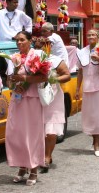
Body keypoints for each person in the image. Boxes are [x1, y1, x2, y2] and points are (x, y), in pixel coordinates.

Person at [6, 31, 49, 186]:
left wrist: (24, 78)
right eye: (17, 40)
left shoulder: (37, 55)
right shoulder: (13, 57)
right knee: (16, 133)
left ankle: (34, 169)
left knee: (32, 134)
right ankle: (21, 166)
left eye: (22, 40)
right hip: (17, 99)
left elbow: (44, 77)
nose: (19, 43)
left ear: (30, 41)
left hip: (32, 100)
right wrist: (13, 79)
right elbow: (9, 80)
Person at [75, 30, 99, 157]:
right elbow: (80, 72)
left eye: (93, 35)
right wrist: (77, 89)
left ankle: (97, 143)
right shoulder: (81, 52)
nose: (91, 36)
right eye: (89, 34)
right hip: (87, 88)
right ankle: (93, 140)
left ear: (98, 37)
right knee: (90, 117)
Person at [39, 40, 71, 173]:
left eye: (46, 44)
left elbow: (67, 75)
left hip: (53, 96)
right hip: (37, 96)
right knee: (39, 130)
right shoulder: (33, 59)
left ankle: (47, 156)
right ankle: (38, 155)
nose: (42, 46)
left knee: (51, 130)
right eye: (38, 44)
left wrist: (54, 79)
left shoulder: (56, 60)